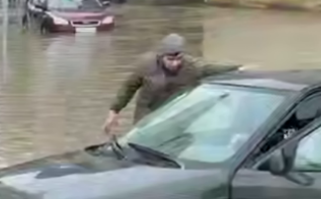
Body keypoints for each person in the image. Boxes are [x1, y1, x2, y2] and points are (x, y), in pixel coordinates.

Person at [103, 33, 246, 135]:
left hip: (176, 117)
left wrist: (240, 68)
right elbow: (128, 87)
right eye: (170, 59)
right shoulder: (146, 65)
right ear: (161, 56)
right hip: (146, 116)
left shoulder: (193, 67)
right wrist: (114, 111)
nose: (175, 63)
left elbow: (215, 68)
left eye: (179, 59)